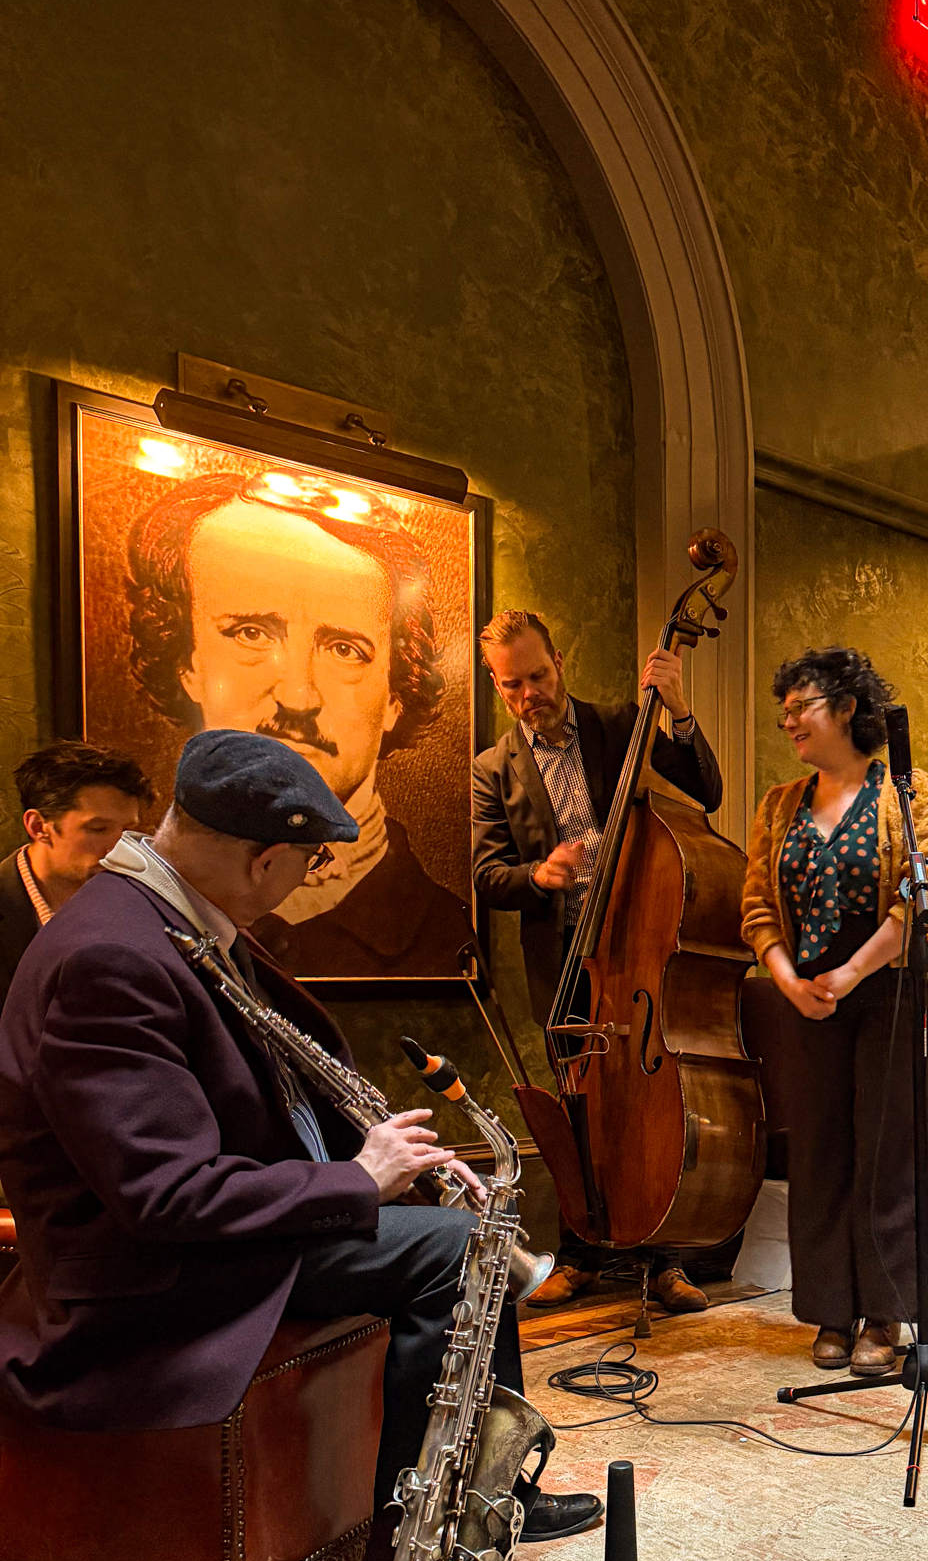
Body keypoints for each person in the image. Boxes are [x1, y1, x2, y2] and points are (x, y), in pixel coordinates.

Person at [0, 731, 598, 1561]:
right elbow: (163, 1196)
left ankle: (492, 1499)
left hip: (205, 1236)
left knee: (451, 1223)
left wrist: (385, 1155)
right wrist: (356, 1181)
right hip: (142, 1277)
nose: (306, 877)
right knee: (450, 1257)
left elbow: (266, 1098)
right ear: (264, 855)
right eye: (307, 861)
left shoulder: (168, 916)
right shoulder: (108, 956)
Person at [472, 608, 725, 1313]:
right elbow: (488, 874)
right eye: (514, 684)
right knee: (579, 1105)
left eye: (540, 676)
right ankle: (580, 1257)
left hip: (639, 949)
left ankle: (664, 1263)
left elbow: (706, 792)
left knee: (653, 1104)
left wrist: (676, 710)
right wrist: (539, 877)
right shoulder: (493, 770)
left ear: (560, 661)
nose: (531, 695)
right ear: (498, 687)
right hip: (564, 961)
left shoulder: (622, 725)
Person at [126, 468, 473, 977]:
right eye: (250, 634)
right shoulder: (126, 926)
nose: (298, 696)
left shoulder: (450, 940)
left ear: (396, 694)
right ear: (188, 664)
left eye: (344, 650)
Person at [742, 646, 928, 1373]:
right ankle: (831, 1312)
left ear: (849, 707)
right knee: (822, 1151)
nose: (788, 720)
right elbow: (758, 911)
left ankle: (885, 1319)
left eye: (802, 706)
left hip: (897, 988)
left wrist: (848, 974)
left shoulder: (909, 788)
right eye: (786, 710)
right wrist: (792, 983)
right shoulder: (779, 805)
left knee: (890, 1155)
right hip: (809, 1001)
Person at [0, 741, 153, 1005]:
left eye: (128, 831)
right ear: (39, 827)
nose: (121, 849)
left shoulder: (143, 902)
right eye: (98, 829)